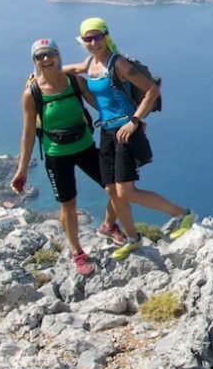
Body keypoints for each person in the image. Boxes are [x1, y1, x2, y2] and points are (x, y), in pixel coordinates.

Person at [64, 18, 195, 257]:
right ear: (82, 41)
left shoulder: (119, 64)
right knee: (112, 192)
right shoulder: (90, 63)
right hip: (106, 132)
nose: (93, 42)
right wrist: (40, 74)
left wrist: (134, 121)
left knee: (126, 192)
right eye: (88, 38)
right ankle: (132, 238)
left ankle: (183, 214)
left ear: (106, 36)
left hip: (126, 131)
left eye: (98, 37)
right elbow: (72, 70)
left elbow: (152, 90)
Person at [11, 39, 135, 276]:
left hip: (85, 147)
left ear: (59, 56)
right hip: (56, 155)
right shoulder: (32, 93)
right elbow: (27, 133)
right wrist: (22, 169)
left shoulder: (75, 82)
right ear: (34, 61)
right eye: (40, 56)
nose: (46, 59)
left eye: (51, 54)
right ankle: (78, 253)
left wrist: (132, 118)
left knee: (116, 188)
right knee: (69, 204)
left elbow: (102, 106)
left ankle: (108, 226)